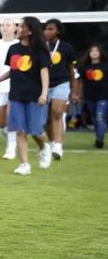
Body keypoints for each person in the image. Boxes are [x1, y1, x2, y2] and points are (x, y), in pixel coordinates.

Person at [0, 17, 52, 176]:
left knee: (35, 131)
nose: (17, 28)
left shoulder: (40, 49)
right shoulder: (14, 49)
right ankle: (25, 164)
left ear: (30, 30)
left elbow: (44, 72)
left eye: (21, 26)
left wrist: (44, 93)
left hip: (35, 96)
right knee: (19, 130)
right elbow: (14, 70)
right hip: (16, 95)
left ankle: (44, 146)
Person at [43, 19, 78, 160]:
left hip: (61, 83)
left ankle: (58, 145)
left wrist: (73, 88)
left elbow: (71, 69)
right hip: (43, 85)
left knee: (57, 113)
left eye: (51, 29)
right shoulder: (39, 46)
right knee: (45, 119)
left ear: (58, 31)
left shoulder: (66, 47)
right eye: (46, 29)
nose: (47, 31)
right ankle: (52, 142)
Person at [0, 19, 19, 160]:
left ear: (15, 28)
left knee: (11, 117)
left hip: (15, 86)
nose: (5, 27)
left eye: (8, 25)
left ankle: (11, 148)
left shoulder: (19, 45)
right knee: (1, 124)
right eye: (2, 25)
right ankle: (11, 137)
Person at [78, 44, 108, 148]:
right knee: (95, 118)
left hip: (104, 96)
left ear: (100, 53)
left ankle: (99, 140)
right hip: (89, 97)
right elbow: (80, 82)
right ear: (89, 54)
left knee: (100, 117)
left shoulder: (106, 65)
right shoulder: (85, 67)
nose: (94, 53)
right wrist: (79, 94)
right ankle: (98, 136)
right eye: (92, 51)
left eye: (96, 51)